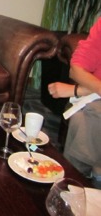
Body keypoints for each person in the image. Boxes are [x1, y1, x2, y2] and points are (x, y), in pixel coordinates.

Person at [48, 17, 101, 182]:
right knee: (84, 116)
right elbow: (76, 70)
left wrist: (76, 90)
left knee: (87, 116)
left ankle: (76, 178)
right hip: (95, 97)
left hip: (93, 97)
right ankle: (83, 178)